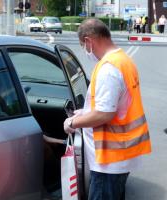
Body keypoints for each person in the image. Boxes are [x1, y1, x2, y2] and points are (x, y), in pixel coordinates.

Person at [63, 18, 152, 200]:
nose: (85, 50)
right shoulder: (123, 60)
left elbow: (104, 113)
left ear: (89, 41)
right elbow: (116, 105)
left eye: (83, 45)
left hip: (109, 161)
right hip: (120, 155)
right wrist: (85, 112)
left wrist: (73, 121)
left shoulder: (108, 69)